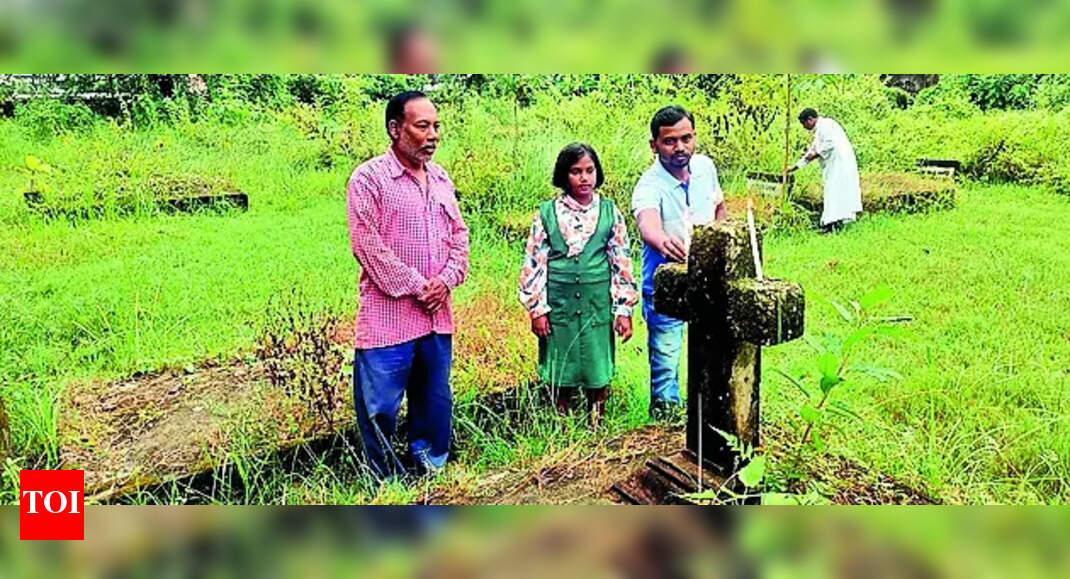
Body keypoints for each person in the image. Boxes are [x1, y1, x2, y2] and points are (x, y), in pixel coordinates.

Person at [345, 91, 469, 479]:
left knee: (433, 402)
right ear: (395, 129)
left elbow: (460, 236)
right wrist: (420, 286)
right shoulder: (369, 179)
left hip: (436, 318)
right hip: (389, 320)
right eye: (422, 126)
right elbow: (368, 246)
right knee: (379, 407)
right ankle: (385, 484)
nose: (433, 135)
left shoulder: (442, 178)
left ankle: (429, 472)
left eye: (436, 126)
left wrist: (446, 280)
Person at [518, 143, 639, 428]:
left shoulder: (609, 212)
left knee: (598, 362)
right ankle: (564, 422)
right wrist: (537, 309)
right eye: (576, 172)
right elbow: (534, 262)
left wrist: (623, 309)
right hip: (559, 303)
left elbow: (621, 260)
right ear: (564, 175)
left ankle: (596, 420)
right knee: (562, 363)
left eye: (589, 171)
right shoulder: (548, 213)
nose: (584, 178)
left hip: (596, 303)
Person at [631, 105, 727, 421]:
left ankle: (708, 416)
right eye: (670, 141)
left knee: (712, 347)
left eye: (686, 138)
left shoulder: (705, 168)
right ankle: (665, 419)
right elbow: (647, 224)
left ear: (694, 137)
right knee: (666, 356)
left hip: (709, 276)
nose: (680, 148)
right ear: (654, 145)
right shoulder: (649, 184)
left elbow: (719, 207)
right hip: (666, 278)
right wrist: (662, 241)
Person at [786, 108, 863, 233]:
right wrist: (795, 167)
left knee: (835, 192)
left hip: (839, 164)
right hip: (835, 166)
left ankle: (834, 223)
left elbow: (829, 145)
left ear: (810, 119)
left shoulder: (826, 126)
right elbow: (812, 151)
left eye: (804, 124)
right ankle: (832, 222)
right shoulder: (820, 129)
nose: (804, 127)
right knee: (833, 192)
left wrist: (816, 154)